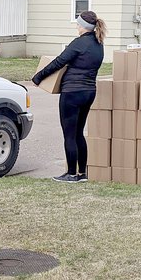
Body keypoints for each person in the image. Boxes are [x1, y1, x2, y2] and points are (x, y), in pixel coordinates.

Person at [32, 10, 106, 183]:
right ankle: (82, 174)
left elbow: (59, 61)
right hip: (89, 92)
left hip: (72, 92)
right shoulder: (98, 44)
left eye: (78, 24)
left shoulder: (79, 43)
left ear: (83, 26)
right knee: (79, 133)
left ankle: (71, 174)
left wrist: (38, 77)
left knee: (69, 135)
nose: (76, 27)